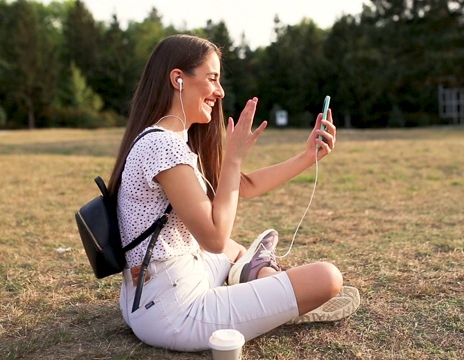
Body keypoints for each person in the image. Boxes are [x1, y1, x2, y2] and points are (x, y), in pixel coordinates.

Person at [108, 34, 359, 352]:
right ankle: (278, 298)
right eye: (212, 78)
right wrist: (234, 157)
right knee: (327, 277)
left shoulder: (165, 140)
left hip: (155, 291)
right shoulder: (162, 145)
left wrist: (309, 156)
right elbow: (212, 236)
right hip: (175, 312)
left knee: (237, 251)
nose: (220, 91)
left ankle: (263, 280)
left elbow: (243, 186)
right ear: (178, 79)